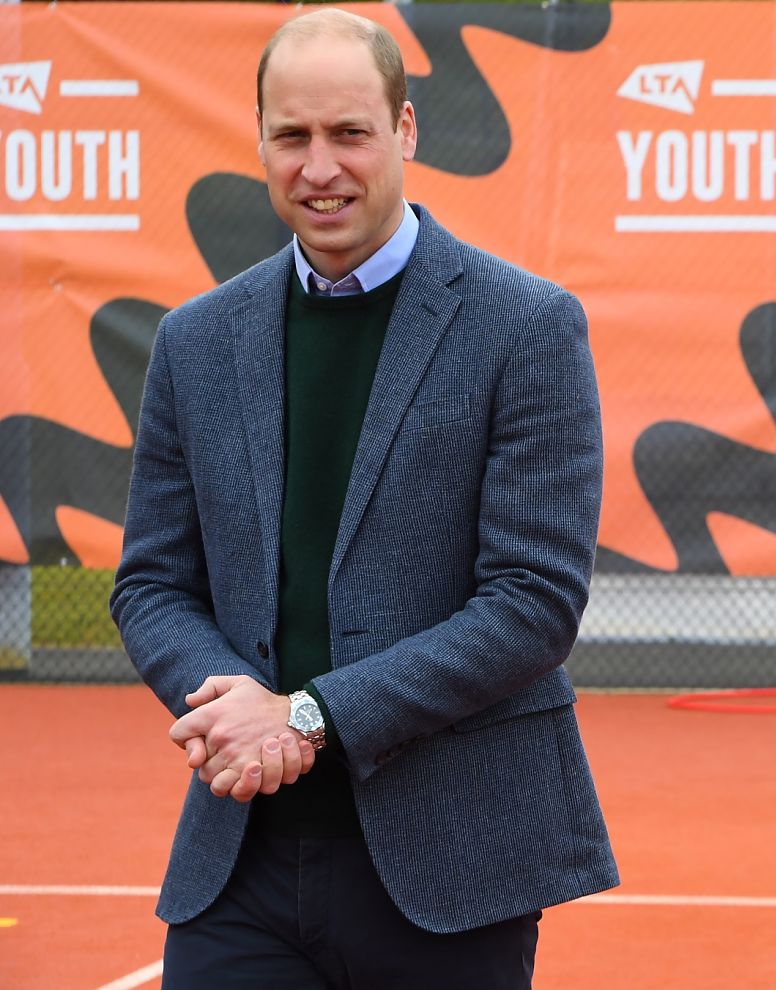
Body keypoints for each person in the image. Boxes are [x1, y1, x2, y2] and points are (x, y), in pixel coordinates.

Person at [109, 9, 616, 987]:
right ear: (259, 139)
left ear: (407, 131)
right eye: (292, 136)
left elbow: (533, 604)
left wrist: (307, 718)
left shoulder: (526, 327)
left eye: (350, 133)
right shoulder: (195, 341)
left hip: (451, 863)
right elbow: (151, 586)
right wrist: (236, 715)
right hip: (241, 862)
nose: (319, 167)